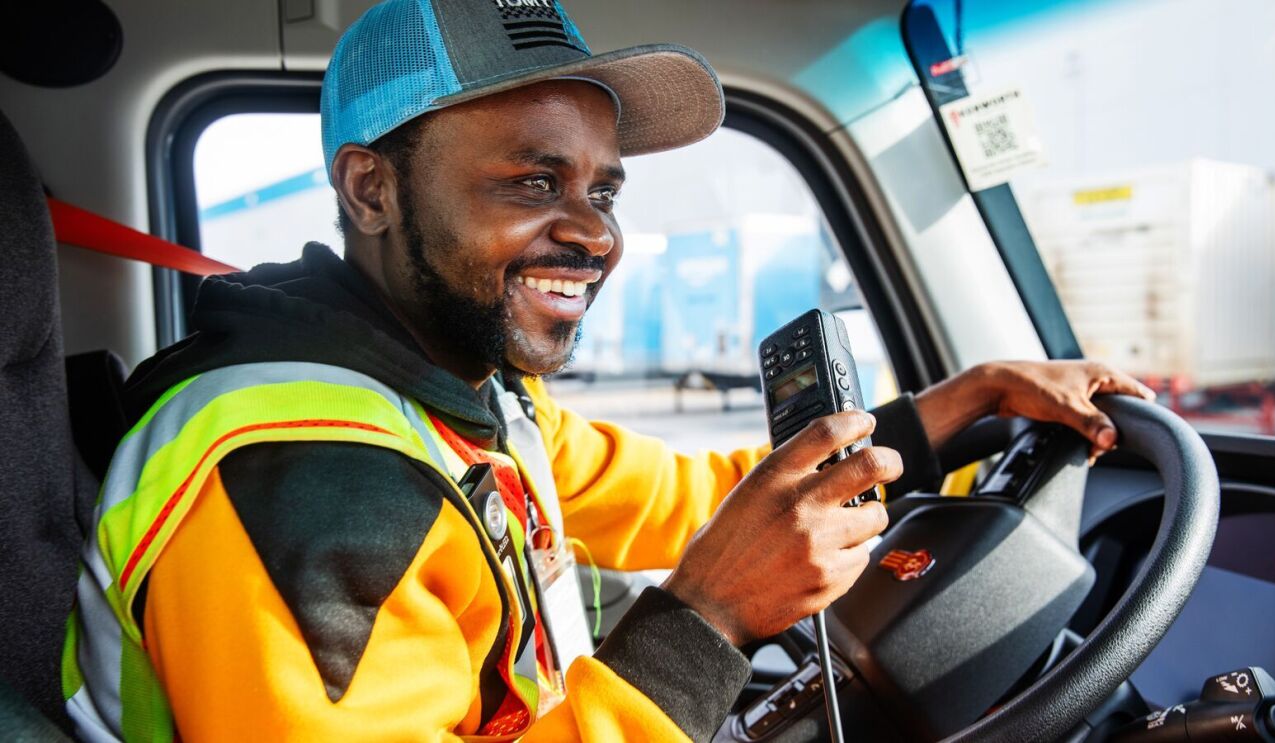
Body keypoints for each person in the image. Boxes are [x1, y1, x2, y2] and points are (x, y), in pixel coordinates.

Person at [63, 1, 1154, 740]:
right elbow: (708, 567)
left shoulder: (461, 396)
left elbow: (691, 500)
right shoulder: (298, 483)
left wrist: (953, 406)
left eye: (605, 191)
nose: (595, 236)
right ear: (372, 190)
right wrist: (708, 620)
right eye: (536, 181)